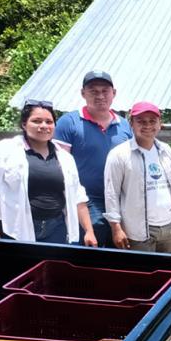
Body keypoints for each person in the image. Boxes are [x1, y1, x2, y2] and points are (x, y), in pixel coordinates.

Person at [0, 100, 97, 246]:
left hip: (56, 228)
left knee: (53, 267)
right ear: (24, 124)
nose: (44, 126)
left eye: (49, 122)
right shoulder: (6, 150)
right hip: (17, 229)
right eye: (37, 121)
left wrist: (89, 231)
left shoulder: (65, 157)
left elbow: (78, 196)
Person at [54, 70, 133, 247]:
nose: (100, 96)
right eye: (93, 91)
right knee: (93, 244)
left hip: (120, 199)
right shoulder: (69, 122)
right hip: (86, 200)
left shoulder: (124, 125)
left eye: (105, 91)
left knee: (122, 248)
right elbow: (59, 165)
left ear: (114, 93)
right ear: (83, 93)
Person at [104, 102, 171, 252]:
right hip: (138, 230)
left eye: (152, 121)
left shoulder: (165, 150)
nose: (147, 126)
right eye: (141, 121)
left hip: (170, 225)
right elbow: (111, 193)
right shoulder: (119, 155)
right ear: (131, 124)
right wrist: (116, 228)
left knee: (169, 270)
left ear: (160, 124)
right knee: (144, 272)